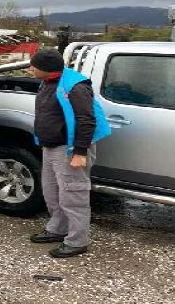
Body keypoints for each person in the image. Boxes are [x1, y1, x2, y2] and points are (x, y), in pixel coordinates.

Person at [27, 49, 110, 258]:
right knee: (52, 192)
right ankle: (58, 228)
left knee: (73, 196)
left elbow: (86, 119)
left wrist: (80, 152)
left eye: (33, 66)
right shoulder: (48, 81)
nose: (30, 69)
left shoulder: (76, 86)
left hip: (70, 149)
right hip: (51, 147)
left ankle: (77, 241)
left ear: (45, 69)